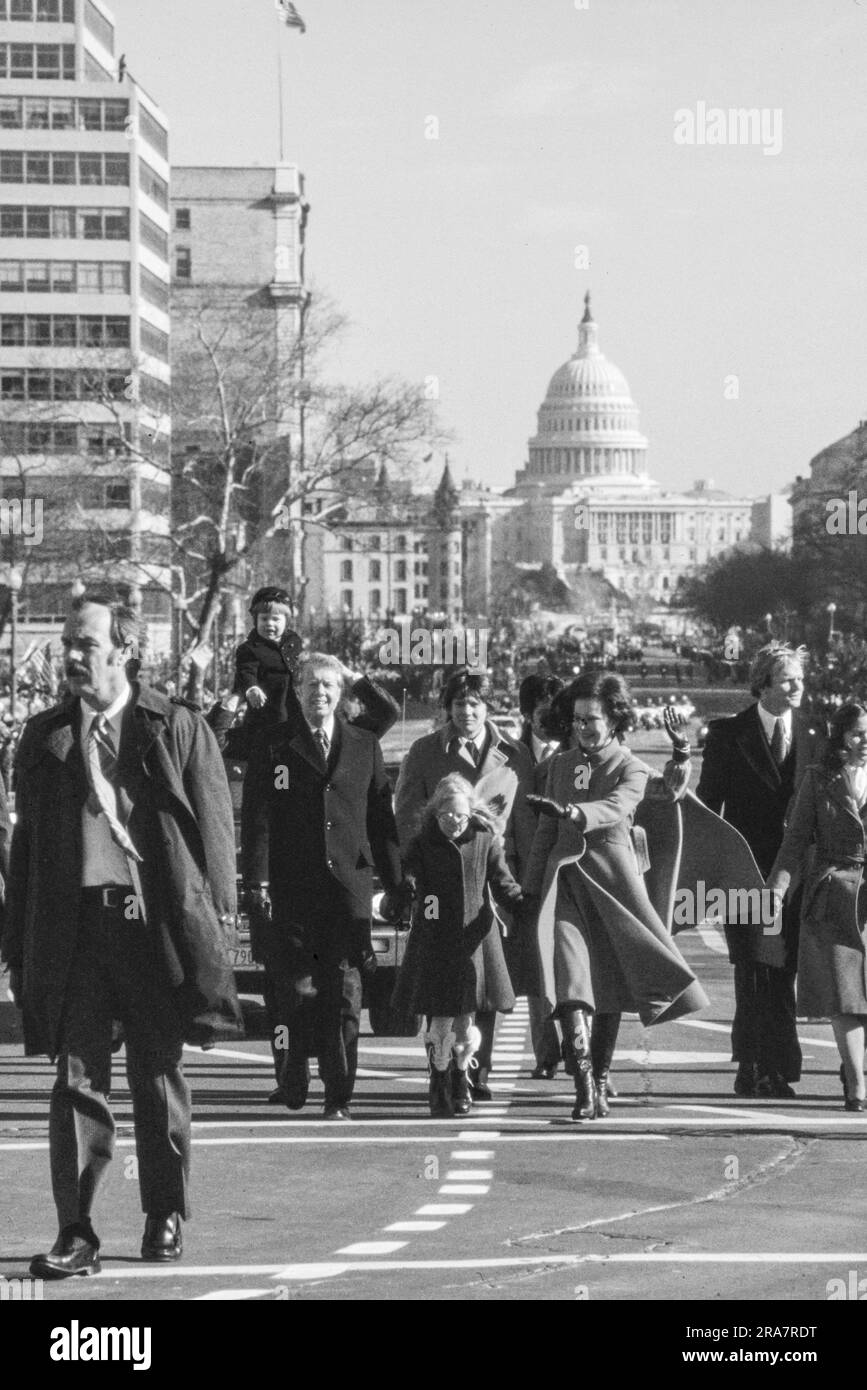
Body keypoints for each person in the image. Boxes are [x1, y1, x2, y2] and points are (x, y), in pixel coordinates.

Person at [0, 594, 242, 1278]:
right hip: (77, 929)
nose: (71, 656)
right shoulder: (45, 737)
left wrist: (214, 930)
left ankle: (164, 1212)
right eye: (68, 644)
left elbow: (215, 836)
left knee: (157, 1075)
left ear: (123, 650)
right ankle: (76, 1231)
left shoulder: (176, 727)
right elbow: (27, 854)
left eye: (84, 643)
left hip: (155, 929)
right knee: (76, 1079)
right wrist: (15, 940)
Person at [523, 672, 708, 1121]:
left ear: (614, 720)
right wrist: (529, 890)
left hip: (613, 887)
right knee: (570, 985)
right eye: (579, 719)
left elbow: (618, 807)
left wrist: (572, 811)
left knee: (606, 991)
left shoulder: (630, 765)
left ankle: (601, 1078)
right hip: (565, 884)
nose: (585, 727)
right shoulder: (559, 766)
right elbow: (547, 831)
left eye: (594, 719)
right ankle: (583, 1083)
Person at [241, 653, 406, 1120]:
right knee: (291, 992)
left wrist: (395, 885)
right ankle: (292, 1070)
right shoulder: (275, 745)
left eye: (329, 686)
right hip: (292, 891)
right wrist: (257, 882)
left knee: (345, 993)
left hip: (347, 892)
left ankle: (339, 1095)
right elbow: (258, 819)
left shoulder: (363, 743)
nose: (320, 694)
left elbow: (380, 818)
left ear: (341, 693)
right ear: (297, 691)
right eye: (311, 685)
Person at [395, 667, 535, 1101]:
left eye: (475, 703)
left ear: (489, 707)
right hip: (438, 880)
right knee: (442, 985)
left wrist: (524, 884)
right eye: (459, 703)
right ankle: (443, 1070)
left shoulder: (514, 754)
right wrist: (408, 877)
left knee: (485, 982)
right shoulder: (423, 751)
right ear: (447, 708)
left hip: (491, 876)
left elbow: (528, 819)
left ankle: (475, 1071)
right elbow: (405, 815)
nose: (467, 711)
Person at [696, 643, 824, 1099]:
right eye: (787, 679)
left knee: (784, 967)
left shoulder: (817, 733)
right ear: (763, 683)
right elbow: (708, 807)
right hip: (742, 870)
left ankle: (778, 1065)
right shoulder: (729, 734)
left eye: (800, 680)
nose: (796, 687)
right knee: (752, 967)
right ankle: (752, 1064)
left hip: (800, 873)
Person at [390, 774, 522, 1117]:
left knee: (466, 1021)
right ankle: (438, 1079)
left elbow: (502, 882)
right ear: (435, 814)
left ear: (472, 813)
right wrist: (405, 890)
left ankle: (461, 1077)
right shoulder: (422, 843)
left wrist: (524, 903)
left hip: (474, 942)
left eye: (460, 817)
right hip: (433, 941)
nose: (453, 823)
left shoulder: (485, 839)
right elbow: (412, 876)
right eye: (446, 816)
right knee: (438, 1023)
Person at [766, 703, 867, 1110]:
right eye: (858, 733)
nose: (865, 741)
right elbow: (795, 841)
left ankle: (853, 1066)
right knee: (845, 996)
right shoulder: (818, 777)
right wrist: (776, 889)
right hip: (833, 894)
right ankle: (857, 1083)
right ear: (841, 735)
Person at [516, 674, 564, 1078]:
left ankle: (586, 1055)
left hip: (565, 870)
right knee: (534, 966)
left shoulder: (575, 753)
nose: (549, 721)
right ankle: (546, 1054)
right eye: (542, 712)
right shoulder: (507, 753)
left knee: (574, 963)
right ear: (526, 714)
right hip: (519, 873)